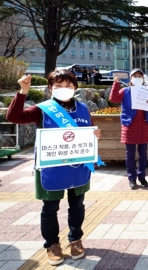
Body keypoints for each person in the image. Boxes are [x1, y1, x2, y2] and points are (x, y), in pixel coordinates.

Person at [6, 69, 101, 266]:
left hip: (78, 166)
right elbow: (14, 117)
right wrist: (23, 92)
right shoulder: (42, 109)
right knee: (50, 208)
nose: (63, 89)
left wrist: (95, 135)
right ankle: (52, 244)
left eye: (68, 85)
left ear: (75, 87)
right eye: (58, 86)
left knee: (77, 205)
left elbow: (88, 131)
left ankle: (75, 240)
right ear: (50, 88)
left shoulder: (83, 108)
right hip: (50, 169)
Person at [109, 68, 148, 189]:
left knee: (143, 155)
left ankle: (142, 177)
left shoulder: (147, 91)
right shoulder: (125, 91)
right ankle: (132, 179)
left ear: (143, 78)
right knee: (129, 155)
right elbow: (114, 99)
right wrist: (115, 84)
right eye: (134, 76)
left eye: (139, 76)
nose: (137, 78)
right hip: (129, 126)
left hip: (144, 126)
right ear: (130, 78)